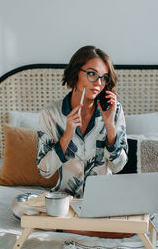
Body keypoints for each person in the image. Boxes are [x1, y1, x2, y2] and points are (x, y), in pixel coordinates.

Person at [36, 45, 128, 199]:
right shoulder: (50, 114)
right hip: (65, 201)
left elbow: (118, 167)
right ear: (76, 72)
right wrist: (66, 136)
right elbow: (44, 171)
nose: (98, 82)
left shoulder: (114, 110)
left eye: (104, 77)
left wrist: (110, 126)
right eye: (92, 74)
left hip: (104, 200)